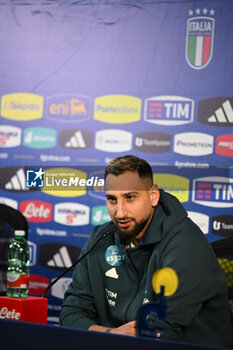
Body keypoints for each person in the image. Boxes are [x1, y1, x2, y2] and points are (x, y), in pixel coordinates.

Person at [59, 155, 233, 348]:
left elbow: (161, 332)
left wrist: (112, 336)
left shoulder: (185, 244)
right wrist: (111, 333)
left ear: (153, 196)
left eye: (130, 197)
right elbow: (70, 315)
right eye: (112, 199)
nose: (120, 213)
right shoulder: (101, 239)